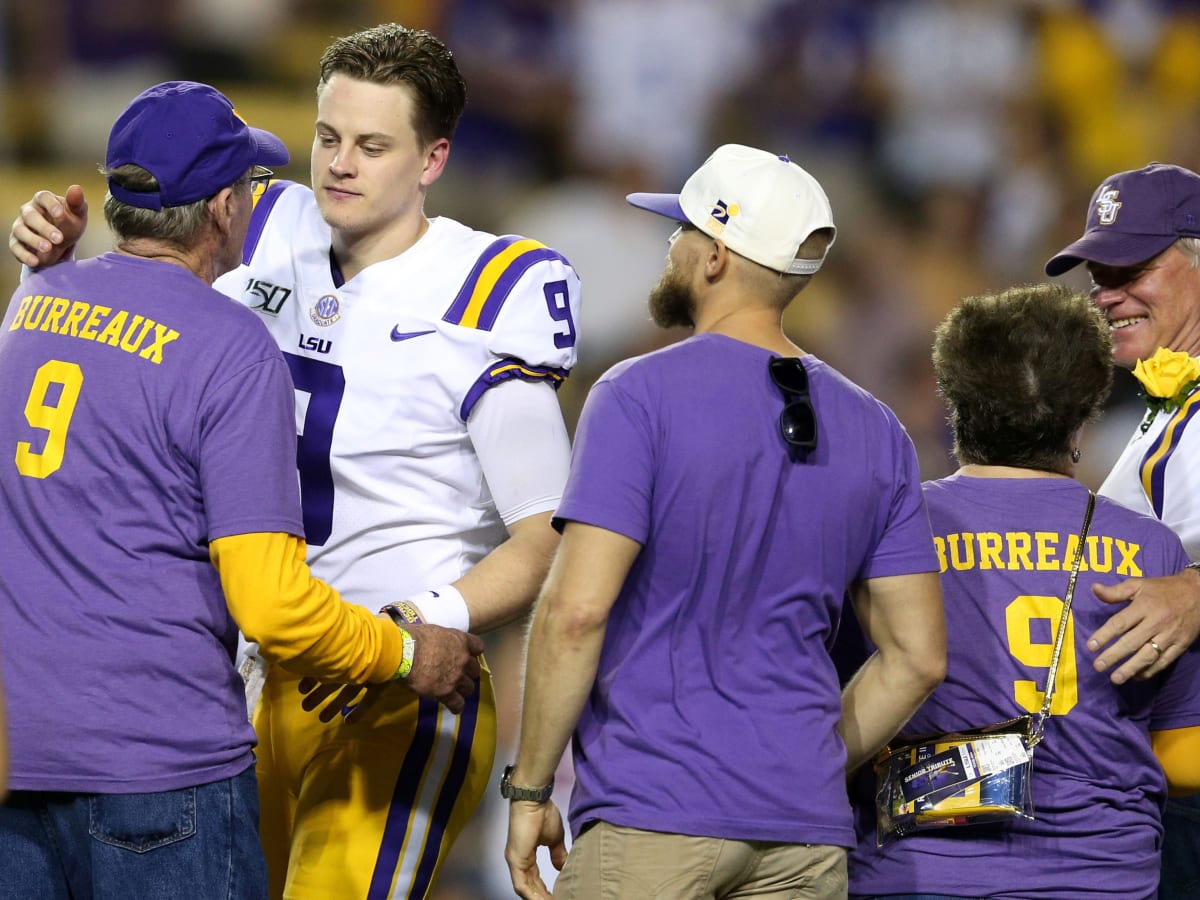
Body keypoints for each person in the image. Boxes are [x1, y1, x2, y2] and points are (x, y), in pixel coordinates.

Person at [8, 24, 581, 900]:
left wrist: (421, 618)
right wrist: (56, 269)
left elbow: (548, 535)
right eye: (327, 137)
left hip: (395, 686)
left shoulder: (487, 291)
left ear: (432, 160)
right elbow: (144, 335)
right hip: (246, 679)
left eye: (372, 145)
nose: (339, 165)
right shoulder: (257, 220)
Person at [502, 143, 947, 900]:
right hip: (804, 838)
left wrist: (530, 789)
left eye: (679, 233)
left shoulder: (636, 394)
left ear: (713, 259)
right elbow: (917, 657)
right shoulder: (877, 429)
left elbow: (575, 613)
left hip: (653, 822)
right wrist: (802, 760)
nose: (669, 248)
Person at [846, 282, 1200, 899]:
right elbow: (1183, 758)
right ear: (1088, 406)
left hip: (919, 873)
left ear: (951, 397)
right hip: (1101, 876)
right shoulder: (1156, 553)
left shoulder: (889, 528)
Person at [1045, 161, 1200, 899]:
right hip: (1160, 794)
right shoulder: (1162, 400)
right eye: (1098, 274)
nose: (1108, 295)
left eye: (1133, 266)